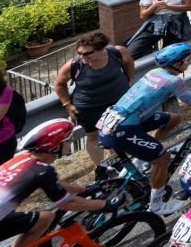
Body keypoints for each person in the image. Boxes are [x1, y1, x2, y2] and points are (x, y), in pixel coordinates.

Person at [97, 42, 191, 215]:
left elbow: (183, 89)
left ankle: (143, 157)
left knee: (174, 118)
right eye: (187, 59)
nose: (189, 61)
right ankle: (156, 205)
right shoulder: (173, 80)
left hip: (115, 121)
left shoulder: (155, 72)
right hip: (122, 129)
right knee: (162, 158)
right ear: (177, 63)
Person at [54, 31, 135, 171]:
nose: (82, 57)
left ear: (102, 49)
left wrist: (129, 81)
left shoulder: (117, 53)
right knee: (93, 136)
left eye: (87, 54)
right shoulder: (75, 64)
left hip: (117, 102)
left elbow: (129, 63)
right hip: (89, 106)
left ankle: (119, 162)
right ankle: (101, 168)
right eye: (79, 53)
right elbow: (59, 84)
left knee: (117, 132)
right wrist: (68, 105)